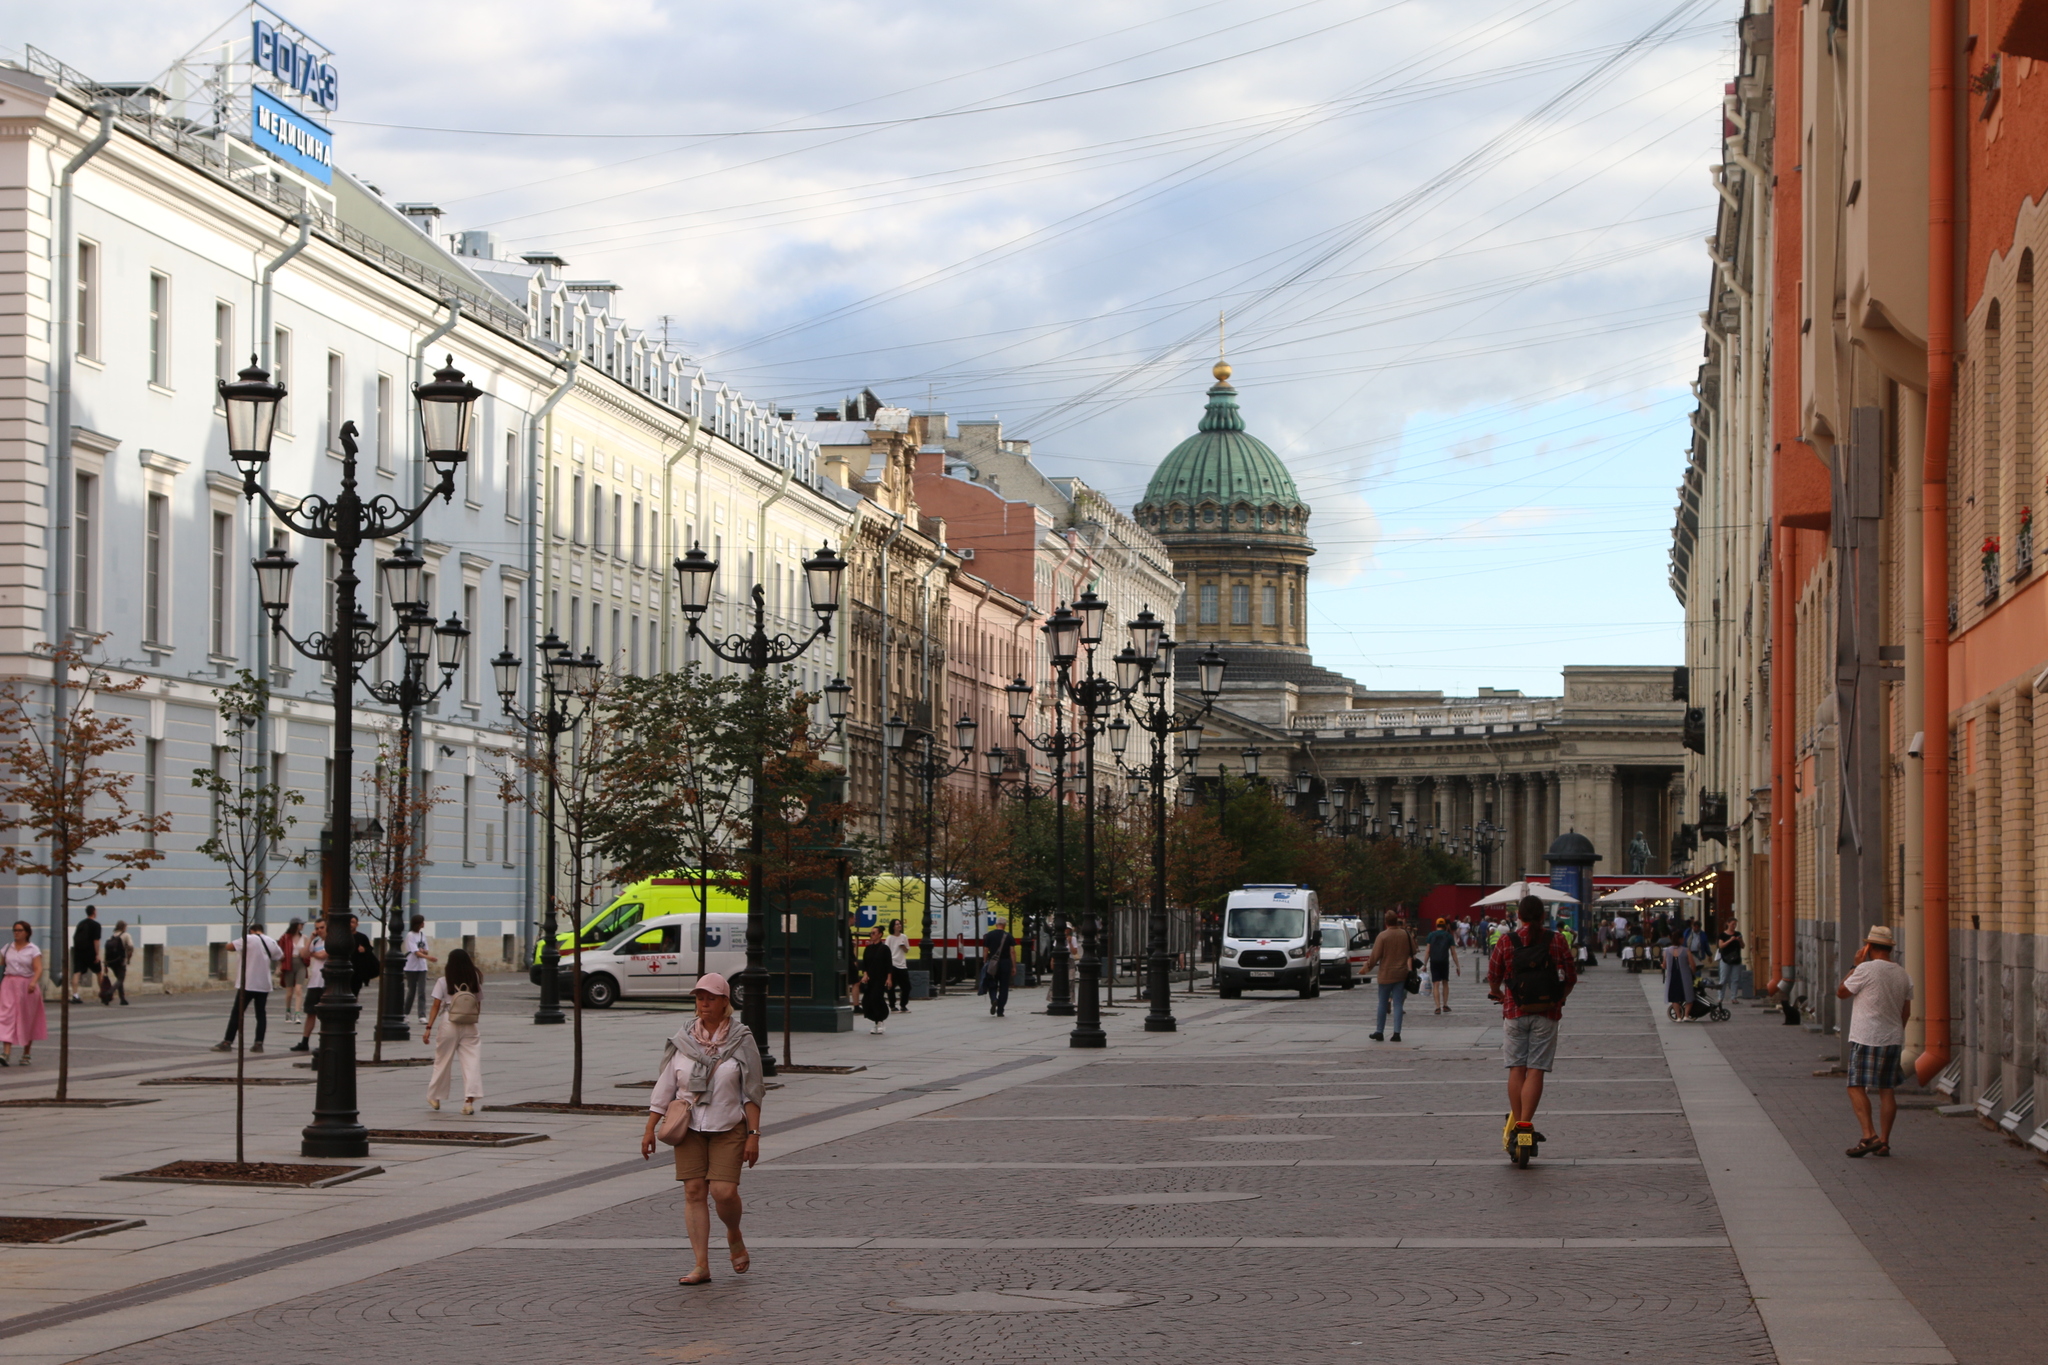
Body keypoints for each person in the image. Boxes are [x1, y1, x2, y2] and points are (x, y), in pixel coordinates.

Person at [639, 973, 764, 1285]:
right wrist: (649, 1129)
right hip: (690, 1127)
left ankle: (733, 1232)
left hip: (728, 1126)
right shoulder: (683, 1041)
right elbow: (665, 1087)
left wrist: (754, 1135)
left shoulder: (742, 1040)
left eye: (710, 997)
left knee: (724, 1191)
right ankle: (701, 1265)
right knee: (694, 1190)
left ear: (725, 1002)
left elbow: (752, 1092)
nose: (704, 1003)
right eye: (699, 997)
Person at [1487, 895, 1578, 1157]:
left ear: (1519, 917)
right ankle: (1526, 1126)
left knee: (1517, 1068)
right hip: (1547, 1013)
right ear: (1542, 916)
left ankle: (1517, 1126)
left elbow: (1494, 975)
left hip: (1515, 1012)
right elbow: (1570, 977)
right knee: (1536, 1069)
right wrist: (1559, 999)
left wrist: (1499, 994)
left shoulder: (1506, 941)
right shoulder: (1557, 940)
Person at [1836, 924, 1913, 1158]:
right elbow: (1906, 1012)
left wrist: (1855, 965)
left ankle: (1869, 1135)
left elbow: (1841, 992)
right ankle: (1884, 1142)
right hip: (1892, 1037)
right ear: (1890, 948)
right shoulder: (1902, 974)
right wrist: (1896, 1031)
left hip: (1867, 1037)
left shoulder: (1866, 969)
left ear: (1868, 946)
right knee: (1886, 1089)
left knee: (1855, 1085)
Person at [423, 948, 484, 1114]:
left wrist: (428, 1027)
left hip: (449, 1021)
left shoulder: (444, 981)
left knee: (442, 1061)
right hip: (470, 1024)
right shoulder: (474, 980)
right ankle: (468, 1102)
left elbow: (436, 1006)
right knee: (471, 1063)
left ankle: (435, 1097)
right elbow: (478, 1004)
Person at [213, 922, 282, 1053]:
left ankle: (227, 1041)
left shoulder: (248, 939)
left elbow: (229, 947)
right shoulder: (271, 941)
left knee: (237, 1013)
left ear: (251, 930)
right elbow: (279, 956)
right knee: (261, 1014)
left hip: (248, 983)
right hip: (264, 984)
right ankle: (258, 1043)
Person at [1362, 910, 1417, 1042]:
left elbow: (1375, 956)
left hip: (1386, 974)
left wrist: (1365, 968)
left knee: (1382, 1002)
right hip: (1401, 973)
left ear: (1385, 922)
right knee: (1398, 1003)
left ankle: (1379, 1031)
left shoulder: (1383, 936)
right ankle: (1397, 1033)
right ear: (1396, 920)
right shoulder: (1405, 934)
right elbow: (1413, 951)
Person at [1, 921, 48, 1065]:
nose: (16, 932)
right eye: (15, 930)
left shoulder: (33, 949)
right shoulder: (8, 948)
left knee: (27, 1019)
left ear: (27, 932)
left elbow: (38, 968)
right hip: (9, 984)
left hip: (27, 986)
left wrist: (33, 982)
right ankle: (6, 1053)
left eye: (20, 930)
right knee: (6, 1016)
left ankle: (26, 1053)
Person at [288, 920, 329, 1052]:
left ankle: (325, 1041)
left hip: (326, 983)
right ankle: (304, 1041)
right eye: (317, 928)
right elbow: (303, 954)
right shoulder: (316, 942)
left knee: (325, 1015)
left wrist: (311, 954)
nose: (319, 930)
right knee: (310, 1013)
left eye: (322, 927)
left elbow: (323, 956)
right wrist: (311, 938)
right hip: (314, 983)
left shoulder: (332, 942)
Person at [402, 915, 436, 1024]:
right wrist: (428, 957)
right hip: (411, 967)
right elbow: (415, 952)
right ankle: (405, 1013)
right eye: (422, 922)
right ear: (418, 923)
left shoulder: (422, 935)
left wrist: (424, 952)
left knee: (422, 991)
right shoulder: (410, 935)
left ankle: (422, 1015)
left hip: (422, 967)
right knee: (411, 991)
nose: (423, 924)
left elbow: (425, 950)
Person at [859, 929, 894, 1035]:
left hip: (880, 978)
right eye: (870, 933)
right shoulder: (868, 948)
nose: (871, 935)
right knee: (868, 1000)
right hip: (870, 978)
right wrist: (865, 975)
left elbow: (889, 964)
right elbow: (865, 964)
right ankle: (876, 1021)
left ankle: (880, 1020)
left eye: (874, 933)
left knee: (876, 997)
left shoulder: (884, 949)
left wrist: (889, 978)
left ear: (880, 935)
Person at [980, 920, 1015, 1017]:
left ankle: (994, 999)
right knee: (1004, 987)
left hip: (992, 963)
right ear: (1004, 925)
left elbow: (986, 949)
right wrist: (1014, 966)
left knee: (992, 983)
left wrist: (985, 960)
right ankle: (1000, 1010)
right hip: (1005, 963)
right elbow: (1012, 952)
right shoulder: (1008, 936)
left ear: (996, 925)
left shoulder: (989, 935)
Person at [1425, 917, 1460, 1014]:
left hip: (1434, 961)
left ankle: (1437, 1007)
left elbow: (1428, 951)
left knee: (1436, 984)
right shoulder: (1448, 936)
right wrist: (1457, 965)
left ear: (1436, 925)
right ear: (1444, 925)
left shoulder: (1431, 935)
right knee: (1445, 982)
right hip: (1444, 962)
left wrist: (1424, 964)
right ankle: (1445, 1005)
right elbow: (1453, 952)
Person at [1663, 929, 1698, 1022]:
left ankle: (1678, 1017)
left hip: (1672, 977)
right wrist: (1693, 972)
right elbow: (1693, 964)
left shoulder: (1667, 951)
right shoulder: (1686, 951)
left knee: (1674, 998)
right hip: (1685, 976)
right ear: (1681, 939)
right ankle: (1686, 1015)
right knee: (1689, 996)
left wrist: (1661, 966)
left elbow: (1664, 965)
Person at [70, 905, 102, 1004]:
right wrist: (97, 954)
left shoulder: (80, 924)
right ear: (94, 912)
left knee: (77, 973)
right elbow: (96, 941)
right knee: (99, 972)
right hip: (91, 952)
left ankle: (75, 995)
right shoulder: (96, 925)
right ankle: (103, 993)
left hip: (79, 952)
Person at [277, 918, 305, 1022]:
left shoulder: (304, 937)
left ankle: (297, 1013)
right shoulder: (285, 937)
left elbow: (307, 951)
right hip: (288, 964)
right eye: (300, 924)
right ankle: (288, 1011)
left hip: (301, 964)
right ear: (295, 925)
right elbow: (279, 951)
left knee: (299, 989)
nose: (302, 926)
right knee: (289, 991)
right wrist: (279, 965)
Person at [103, 919, 134, 1006]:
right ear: (124, 927)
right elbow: (131, 946)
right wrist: (128, 957)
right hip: (120, 961)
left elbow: (106, 951)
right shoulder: (125, 935)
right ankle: (109, 993)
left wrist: (105, 964)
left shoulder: (112, 937)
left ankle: (122, 999)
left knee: (119, 979)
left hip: (111, 962)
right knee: (121, 979)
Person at [885, 919, 911, 1013]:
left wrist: (903, 946)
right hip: (892, 963)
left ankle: (903, 1005)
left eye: (899, 924)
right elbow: (886, 951)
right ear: (893, 927)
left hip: (902, 964)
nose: (899, 925)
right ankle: (892, 1006)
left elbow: (907, 950)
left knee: (906, 986)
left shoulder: (904, 937)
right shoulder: (890, 938)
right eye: (897, 924)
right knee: (891, 986)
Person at [1718, 922, 1747, 999]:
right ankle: (1720, 997)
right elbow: (1721, 945)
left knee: (1735, 979)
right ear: (1728, 924)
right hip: (1725, 959)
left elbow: (1743, 946)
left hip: (1736, 959)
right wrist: (1730, 940)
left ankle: (1734, 997)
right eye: (1733, 924)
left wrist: (1740, 940)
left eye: (1735, 924)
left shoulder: (1738, 934)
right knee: (1723, 979)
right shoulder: (1723, 935)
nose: (1734, 926)